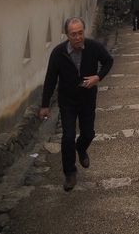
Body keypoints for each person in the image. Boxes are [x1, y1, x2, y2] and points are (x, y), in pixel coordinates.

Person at [39, 17, 113, 191]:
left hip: (87, 99)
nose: (78, 37)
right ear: (67, 35)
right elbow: (50, 79)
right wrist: (44, 105)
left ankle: (81, 148)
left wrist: (98, 77)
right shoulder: (58, 53)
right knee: (67, 136)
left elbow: (108, 61)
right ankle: (70, 173)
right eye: (74, 34)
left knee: (88, 133)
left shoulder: (93, 47)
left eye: (80, 33)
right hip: (68, 101)